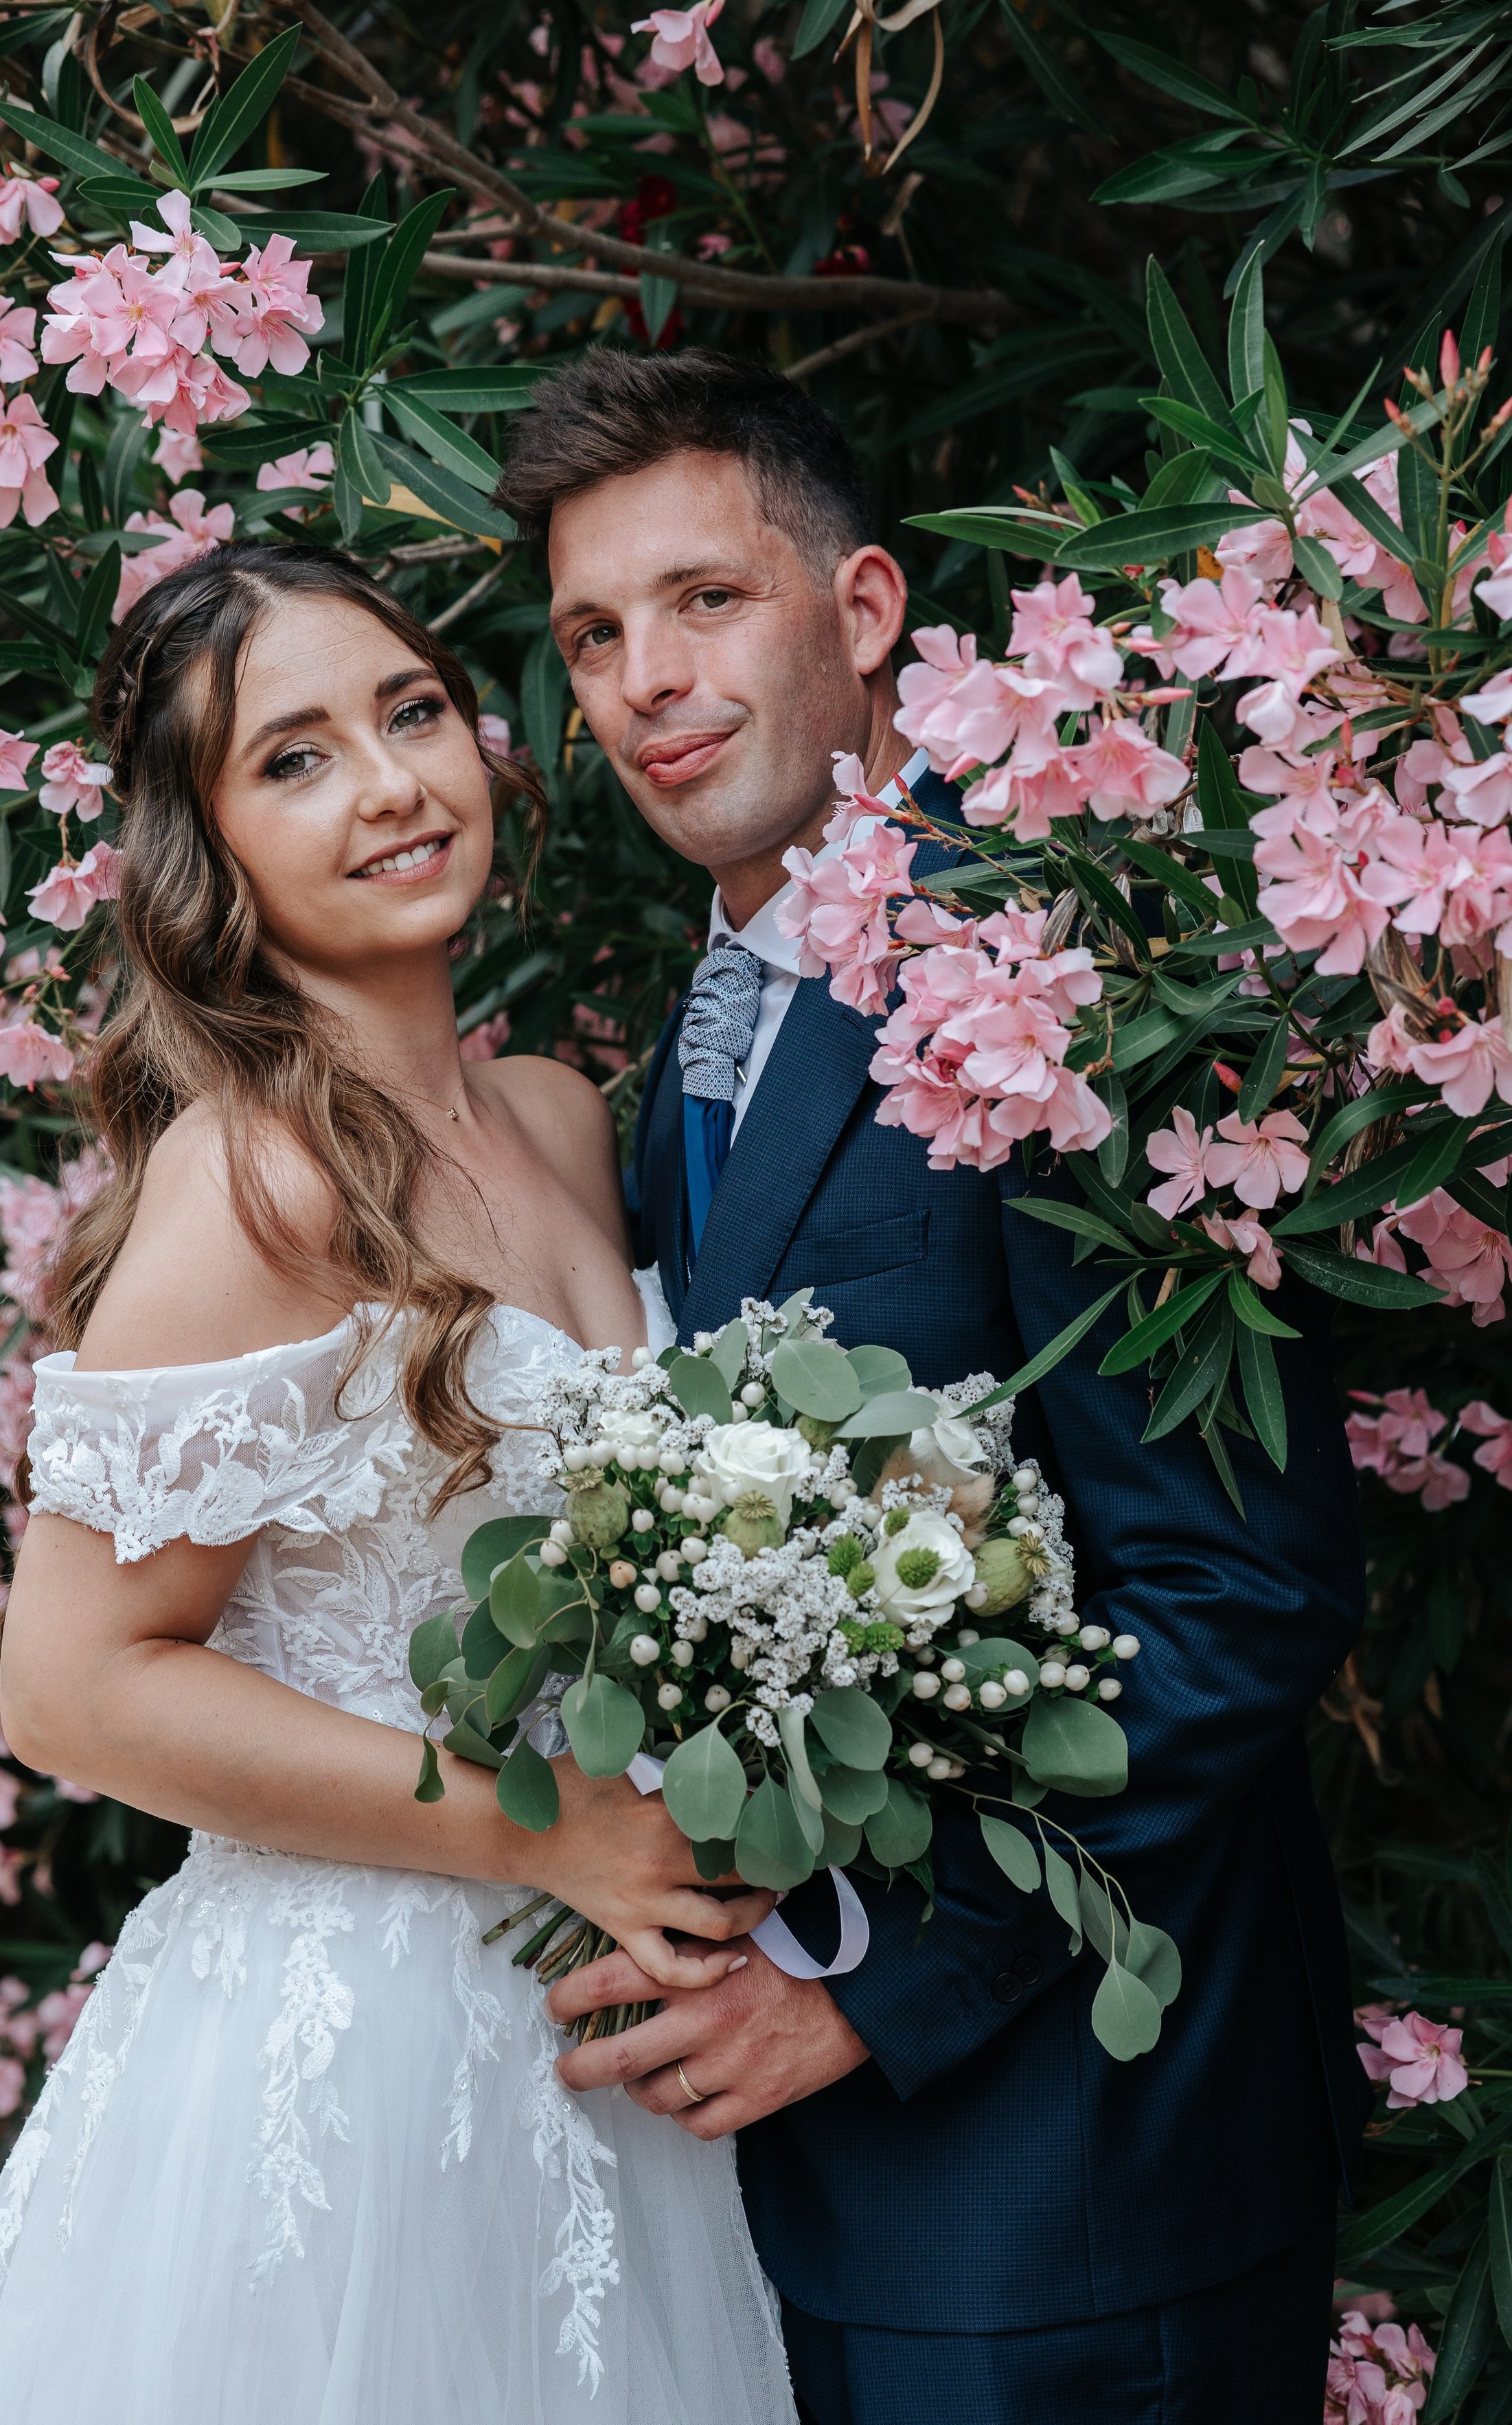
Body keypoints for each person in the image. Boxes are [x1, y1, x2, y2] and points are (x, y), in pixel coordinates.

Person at [492, 349, 1370, 2425]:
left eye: (708, 600)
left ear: (866, 612)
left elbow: (1238, 1586)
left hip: (1063, 2186)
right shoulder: (708, 1025)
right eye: (595, 636)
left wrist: (879, 1999)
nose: (645, 679)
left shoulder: (1046, 975)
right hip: (797, 2193)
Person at [0, 543, 795, 2425]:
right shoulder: (259, 1178)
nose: (389, 783)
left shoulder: (552, 1113)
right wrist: (532, 1828)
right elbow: (72, 1686)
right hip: (353, 2053)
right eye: (292, 758)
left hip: (604, 2036)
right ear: (206, 852)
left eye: (409, 713)